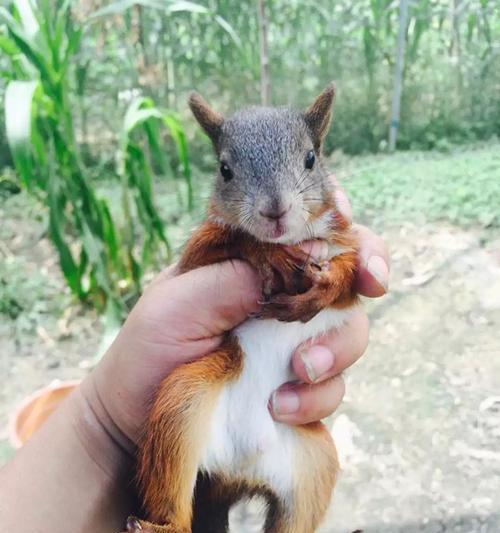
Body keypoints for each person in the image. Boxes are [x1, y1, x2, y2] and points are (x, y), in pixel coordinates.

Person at [0, 183, 389, 533]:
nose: (275, 205)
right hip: (222, 389)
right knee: (184, 395)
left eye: (301, 167)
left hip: (283, 423)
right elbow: (197, 258)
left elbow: (347, 272)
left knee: (321, 459)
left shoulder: (330, 227)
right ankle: (173, 522)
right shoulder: (223, 234)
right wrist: (250, 252)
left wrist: (333, 280)